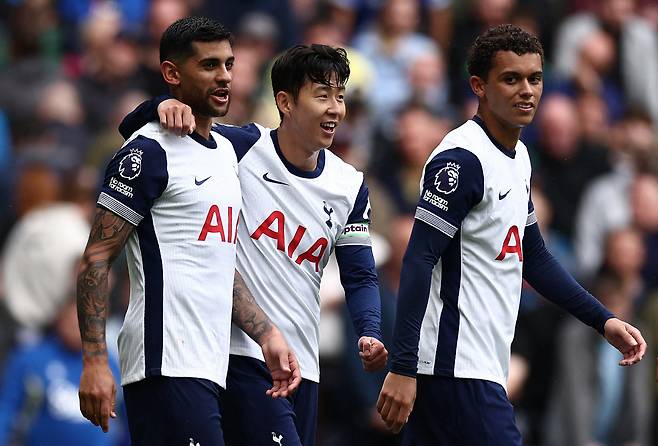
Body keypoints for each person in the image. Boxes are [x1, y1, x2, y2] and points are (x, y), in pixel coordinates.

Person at [376, 24, 647, 444]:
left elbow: (533, 256)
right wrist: (403, 366)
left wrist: (603, 320)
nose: (527, 90)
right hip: (456, 367)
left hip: (474, 368)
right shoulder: (462, 160)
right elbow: (418, 259)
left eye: (535, 78)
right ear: (478, 86)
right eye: (511, 79)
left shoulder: (519, 156)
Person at [119, 43, 388, 446]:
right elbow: (138, 132)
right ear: (285, 102)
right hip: (242, 352)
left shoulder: (349, 185)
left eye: (339, 96)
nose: (335, 109)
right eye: (321, 96)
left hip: (304, 364)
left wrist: (369, 330)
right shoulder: (240, 148)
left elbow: (360, 273)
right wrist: (159, 105)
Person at [76, 17, 299, 446]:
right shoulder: (148, 150)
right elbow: (97, 257)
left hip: (212, 365)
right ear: (173, 74)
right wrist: (94, 360)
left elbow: (215, 261)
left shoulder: (224, 152)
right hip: (165, 362)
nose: (225, 77)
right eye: (209, 65)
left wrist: (267, 333)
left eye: (229, 64)